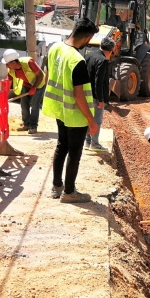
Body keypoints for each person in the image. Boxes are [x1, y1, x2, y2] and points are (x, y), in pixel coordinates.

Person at [42, 18, 100, 203]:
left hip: (60, 109)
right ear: (88, 37)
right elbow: (79, 95)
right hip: (75, 114)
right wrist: (91, 120)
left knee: (61, 146)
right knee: (74, 153)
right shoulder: (77, 61)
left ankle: (56, 186)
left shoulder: (55, 48)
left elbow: (48, 76)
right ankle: (69, 192)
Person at [82, 37, 115, 152]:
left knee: (88, 117)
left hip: (86, 93)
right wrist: (101, 99)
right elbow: (99, 81)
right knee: (97, 120)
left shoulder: (89, 55)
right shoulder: (103, 60)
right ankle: (94, 143)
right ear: (110, 50)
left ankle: (87, 141)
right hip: (96, 96)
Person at [3, 49, 45, 134]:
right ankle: (26, 125)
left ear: (14, 63)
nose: (6, 66)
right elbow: (8, 83)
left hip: (39, 84)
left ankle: (33, 126)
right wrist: (4, 96)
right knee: (24, 105)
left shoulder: (29, 62)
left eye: (7, 64)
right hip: (26, 85)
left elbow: (40, 75)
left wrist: (34, 88)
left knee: (34, 105)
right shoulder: (11, 70)